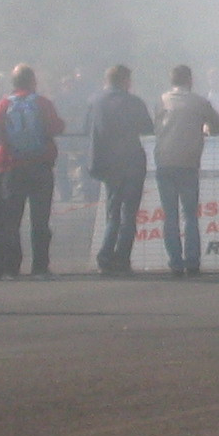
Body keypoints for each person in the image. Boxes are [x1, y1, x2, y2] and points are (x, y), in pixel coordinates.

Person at [0, 64, 66, 277]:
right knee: (40, 220)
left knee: (12, 220)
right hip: (40, 167)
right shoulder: (42, 103)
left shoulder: (4, 104)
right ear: (33, 81)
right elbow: (56, 127)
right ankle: (40, 267)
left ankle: (11, 268)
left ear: (13, 83)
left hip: (12, 167)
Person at [152, 65, 219, 277]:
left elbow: (155, 125)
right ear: (190, 80)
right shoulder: (199, 102)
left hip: (164, 161)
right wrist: (205, 128)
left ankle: (175, 262)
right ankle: (192, 261)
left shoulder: (162, 100)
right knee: (190, 215)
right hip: (189, 162)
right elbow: (218, 125)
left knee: (170, 215)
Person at [85, 65, 152, 277]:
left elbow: (87, 127)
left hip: (108, 163)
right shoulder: (134, 102)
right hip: (131, 161)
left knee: (112, 212)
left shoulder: (95, 102)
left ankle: (105, 257)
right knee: (129, 213)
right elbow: (148, 128)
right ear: (125, 81)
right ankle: (121, 258)